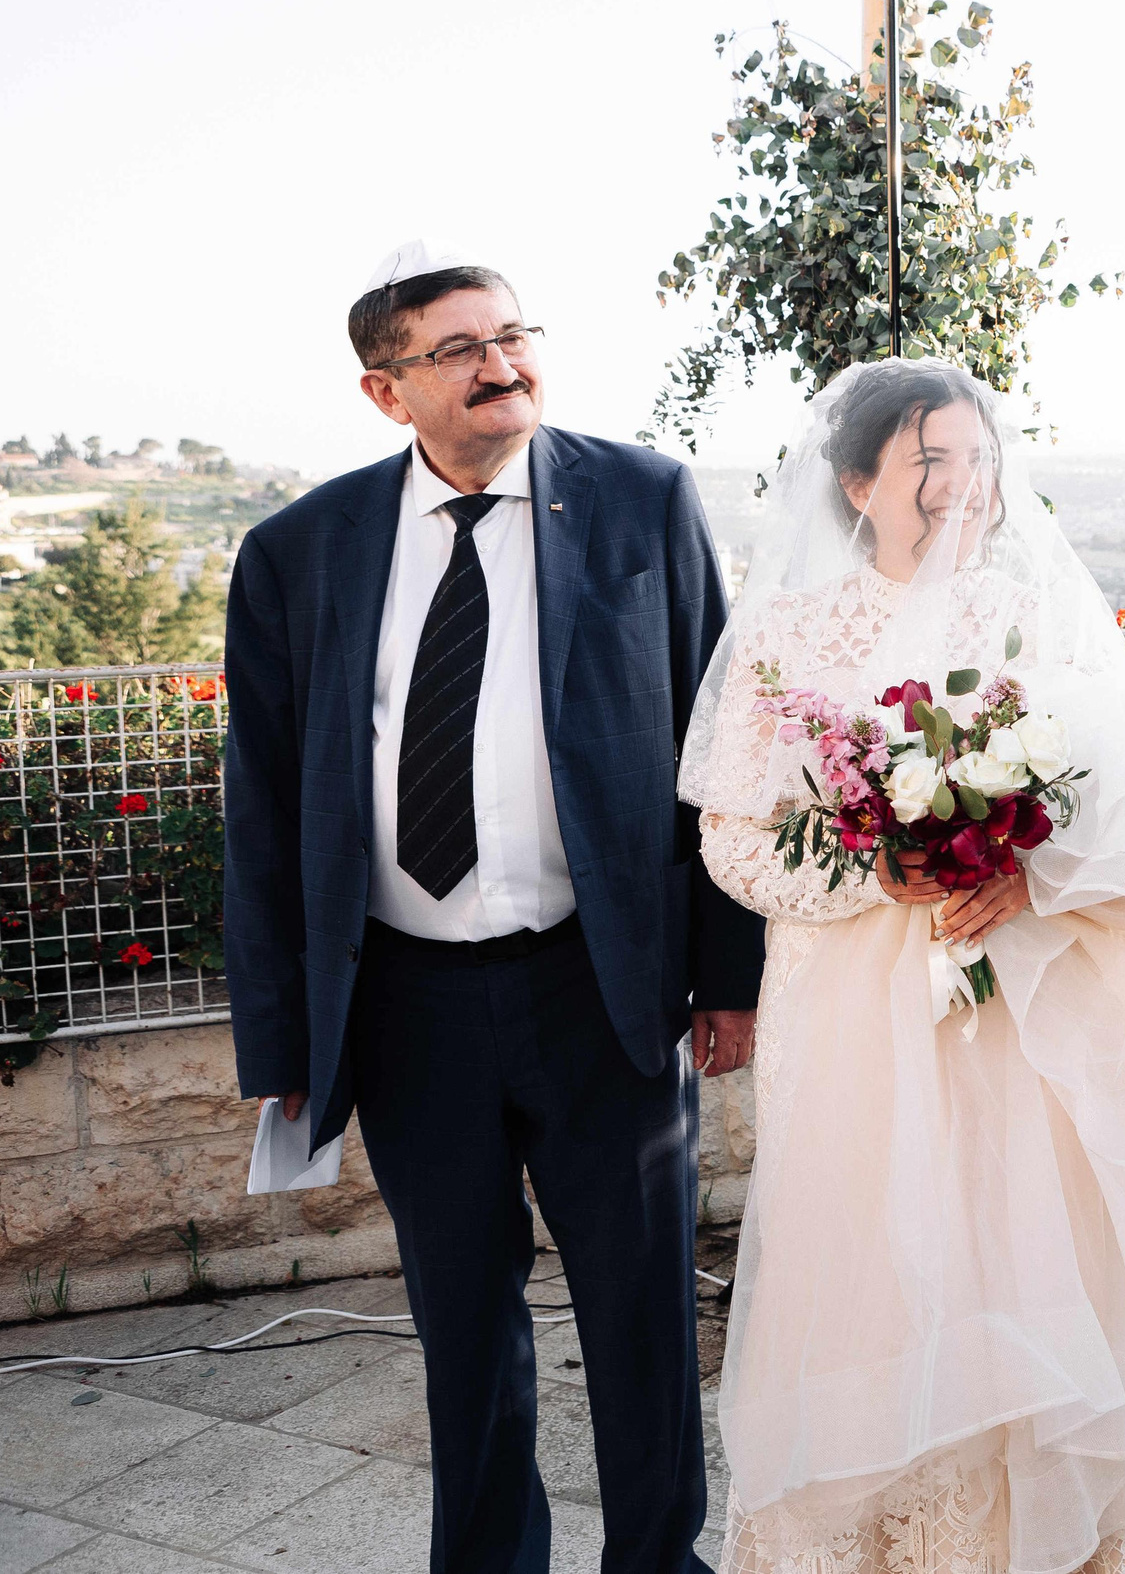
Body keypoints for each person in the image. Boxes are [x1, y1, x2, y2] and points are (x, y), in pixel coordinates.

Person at [680, 359, 1125, 1574]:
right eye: (927, 462)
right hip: (851, 1006)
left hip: (1016, 1002)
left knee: (1019, 1252)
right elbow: (730, 836)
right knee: (870, 1271)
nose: (961, 488)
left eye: (977, 460)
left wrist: (1026, 869)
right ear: (857, 483)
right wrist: (874, 871)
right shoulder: (788, 633)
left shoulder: (1034, 616)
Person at [224, 241, 766, 1574]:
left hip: (603, 983)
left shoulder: (641, 500)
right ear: (384, 389)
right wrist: (282, 1039)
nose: (501, 362)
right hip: (408, 1005)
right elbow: (268, 806)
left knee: (640, 1314)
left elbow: (724, 739)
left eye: (513, 333)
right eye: (459, 348)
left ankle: (659, 1560)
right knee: (463, 1323)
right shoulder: (299, 552)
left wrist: (730, 969)